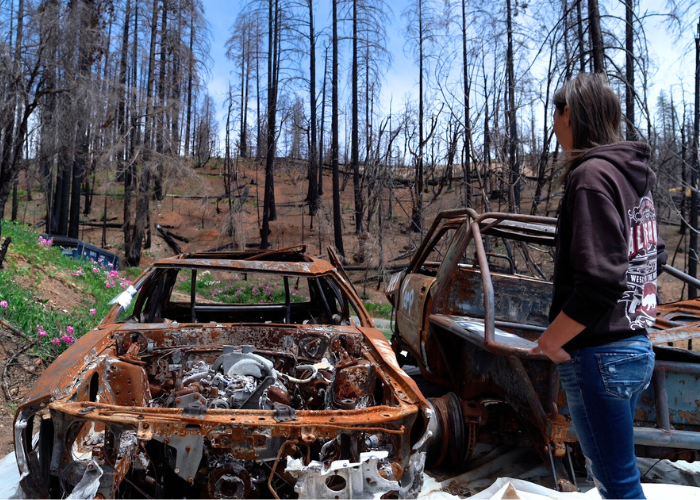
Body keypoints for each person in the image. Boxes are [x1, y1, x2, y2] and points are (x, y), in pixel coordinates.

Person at [530, 72, 667, 499]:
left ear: (569, 113)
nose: (554, 124)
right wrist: (639, 305)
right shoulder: (630, 174)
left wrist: (551, 342)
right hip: (635, 348)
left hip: (600, 356)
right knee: (618, 476)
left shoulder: (589, 176)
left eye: (556, 112)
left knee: (617, 485)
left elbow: (598, 281)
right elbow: (654, 253)